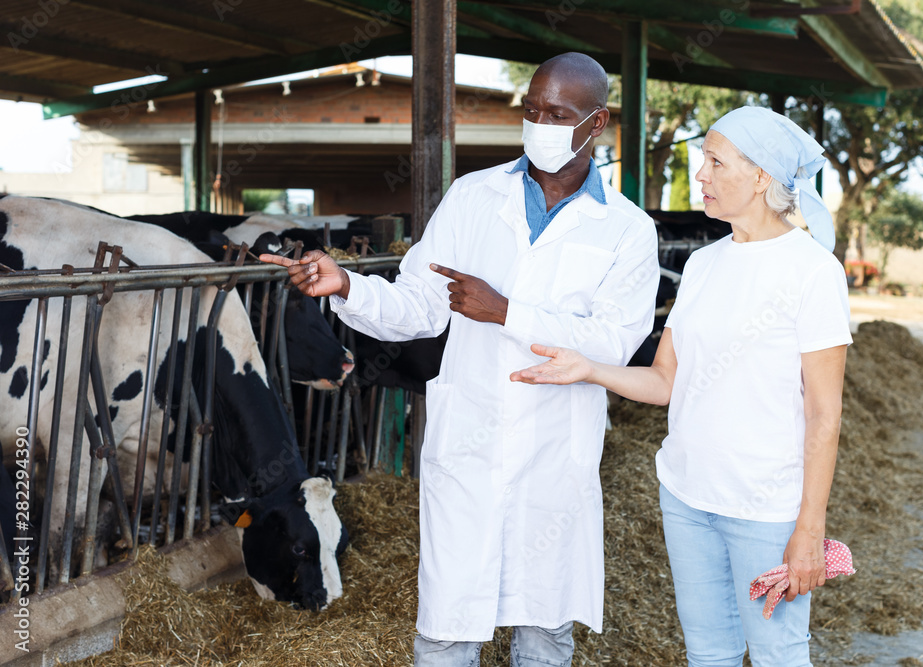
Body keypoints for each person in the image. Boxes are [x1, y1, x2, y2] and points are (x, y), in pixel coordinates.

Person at [261, 53, 659, 666]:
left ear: (597, 123)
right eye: (531, 110)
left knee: (545, 629)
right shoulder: (473, 196)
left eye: (558, 114)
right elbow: (419, 304)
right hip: (469, 444)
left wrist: (508, 312)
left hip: (554, 453)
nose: (539, 123)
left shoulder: (627, 230)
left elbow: (614, 342)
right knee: (447, 626)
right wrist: (345, 286)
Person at [511, 105, 852, 666]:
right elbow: (667, 380)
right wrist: (589, 368)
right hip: (687, 497)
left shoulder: (813, 271)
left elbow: (824, 415)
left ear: (762, 176)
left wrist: (809, 529)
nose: (702, 177)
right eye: (704, 162)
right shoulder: (702, 264)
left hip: (765, 509)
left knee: (778, 655)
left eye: (716, 163)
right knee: (708, 654)